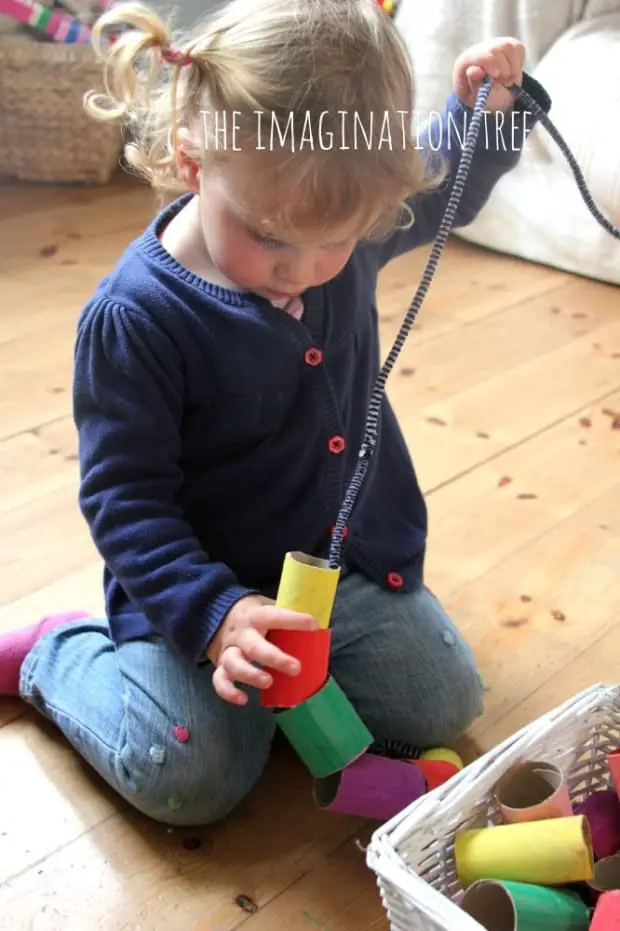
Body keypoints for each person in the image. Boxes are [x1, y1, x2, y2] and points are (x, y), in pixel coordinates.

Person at [0, 0, 550, 826]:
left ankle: (285, 698)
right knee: (192, 778)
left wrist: (484, 114)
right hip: (195, 588)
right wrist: (217, 616)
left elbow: (443, 185)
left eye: (338, 240)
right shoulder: (135, 319)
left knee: (441, 703)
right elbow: (127, 501)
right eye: (270, 239)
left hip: (336, 565)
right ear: (192, 163)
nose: (305, 270)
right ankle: (56, 652)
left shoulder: (341, 230)